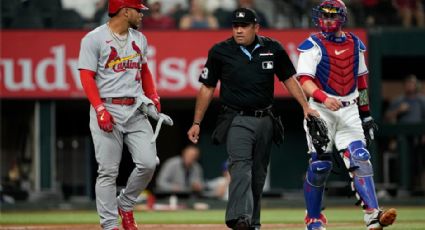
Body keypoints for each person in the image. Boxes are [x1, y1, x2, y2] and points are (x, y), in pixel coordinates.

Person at [187, 7, 318, 230]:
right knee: (240, 167)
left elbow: (289, 79)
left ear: (255, 27)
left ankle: (252, 223)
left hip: (266, 119)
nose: (239, 30)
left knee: (258, 175)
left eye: (244, 26)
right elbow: (207, 88)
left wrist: (305, 107)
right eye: (235, 26)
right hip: (236, 118)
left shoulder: (273, 48)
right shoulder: (220, 51)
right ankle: (239, 219)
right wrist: (197, 122)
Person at [296, 1, 397, 229]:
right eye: (323, 16)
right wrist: (323, 98)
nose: (327, 20)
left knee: (360, 158)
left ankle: (373, 215)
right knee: (320, 165)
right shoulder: (311, 44)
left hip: (350, 109)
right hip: (321, 109)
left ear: (342, 18)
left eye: (332, 16)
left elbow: (361, 84)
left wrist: (366, 114)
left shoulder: (355, 43)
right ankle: (313, 217)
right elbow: (304, 81)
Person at [78, 0, 172, 229]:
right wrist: (100, 109)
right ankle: (110, 225)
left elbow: (144, 70)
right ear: (125, 11)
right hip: (107, 107)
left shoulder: (139, 38)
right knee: (108, 171)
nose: (142, 14)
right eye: (138, 10)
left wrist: (154, 95)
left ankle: (126, 203)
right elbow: (86, 76)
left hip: (135, 109)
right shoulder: (94, 38)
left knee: (149, 163)